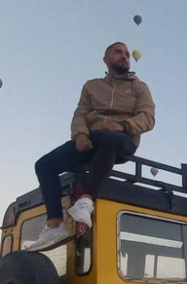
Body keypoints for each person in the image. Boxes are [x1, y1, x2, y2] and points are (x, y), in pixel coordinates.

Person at [28, 42, 155, 252]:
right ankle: (55, 224)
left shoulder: (140, 87)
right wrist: (80, 135)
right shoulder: (91, 86)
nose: (124, 56)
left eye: (126, 53)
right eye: (118, 52)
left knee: (111, 138)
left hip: (123, 139)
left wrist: (123, 125)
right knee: (43, 165)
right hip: (92, 138)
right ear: (105, 59)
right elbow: (80, 113)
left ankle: (86, 201)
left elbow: (148, 118)